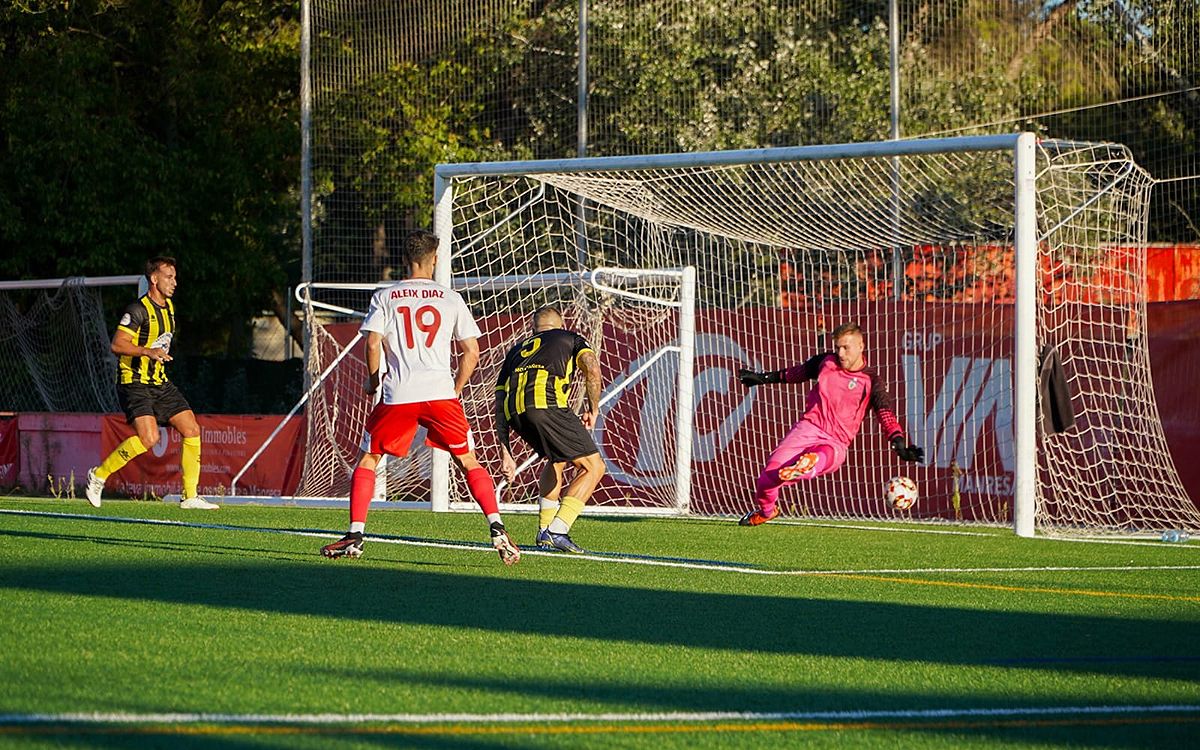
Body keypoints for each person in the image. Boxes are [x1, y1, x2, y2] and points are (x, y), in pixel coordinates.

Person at [320, 230, 520, 565]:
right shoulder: (450, 298)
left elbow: (371, 344)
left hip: (399, 393)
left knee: (369, 459)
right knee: (468, 460)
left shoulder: (387, 296)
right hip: (441, 394)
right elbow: (471, 351)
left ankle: (355, 536)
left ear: (404, 259)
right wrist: (454, 390)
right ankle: (497, 527)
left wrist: (372, 382)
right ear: (435, 259)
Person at [736, 322, 924, 525]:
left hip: (835, 443)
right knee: (767, 479)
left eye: (846, 347)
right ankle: (767, 512)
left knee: (822, 455)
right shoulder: (826, 362)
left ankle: (809, 465)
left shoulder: (871, 381)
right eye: (838, 347)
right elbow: (798, 373)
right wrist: (763, 378)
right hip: (808, 428)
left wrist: (899, 443)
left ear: (861, 346)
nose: (841, 353)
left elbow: (885, 414)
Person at [85, 256, 218, 510]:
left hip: (159, 382)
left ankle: (190, 496)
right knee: (149, 438)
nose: (175, 282)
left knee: (191, 428)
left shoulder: (169, 308)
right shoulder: (137, 310)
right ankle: (99, 475)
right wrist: (147, 352)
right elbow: (117, 344)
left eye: (175, 277)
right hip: (133, 381)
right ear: (154, 279)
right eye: (169, 277)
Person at [495, 306, 604, 554]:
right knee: (594, 467)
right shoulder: (570, 338)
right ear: (561, 324)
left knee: (557, 460)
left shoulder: (514, 351)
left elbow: (499, 403)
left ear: (534, 329)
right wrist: (593, 408)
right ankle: (558, 529)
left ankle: (544, 530)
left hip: (516, 413)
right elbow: (592, 368)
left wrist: (505, 450)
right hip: (546, 405)